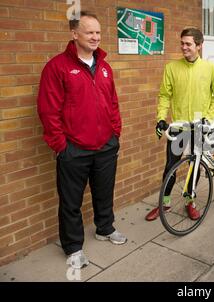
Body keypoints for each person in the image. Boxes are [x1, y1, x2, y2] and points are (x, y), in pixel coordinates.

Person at [37, 11, 126, 269]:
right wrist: (61, 147)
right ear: (74, 34)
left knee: (104, 192)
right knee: (71, 201)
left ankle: (105, 228)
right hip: (73, 149)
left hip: (106, 146)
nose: (96, 37)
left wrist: (115, 133)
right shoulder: (57, 67)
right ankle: (73, 247)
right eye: (90, 32)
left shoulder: (105, 67)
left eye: (98, 32)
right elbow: (48, 110)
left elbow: (113, 103)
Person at [145, 28, 214, 221]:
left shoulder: (210, 68)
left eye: (188, 44)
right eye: (182, 43)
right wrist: (161, 118)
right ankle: (164, 203)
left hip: (199, 127)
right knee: (170, 167)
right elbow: (164, 95)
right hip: (179, 128)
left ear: (199, 46)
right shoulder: (172, 68)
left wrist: (208, 118)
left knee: (194, 167)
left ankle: (190, 201)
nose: (184, 47)